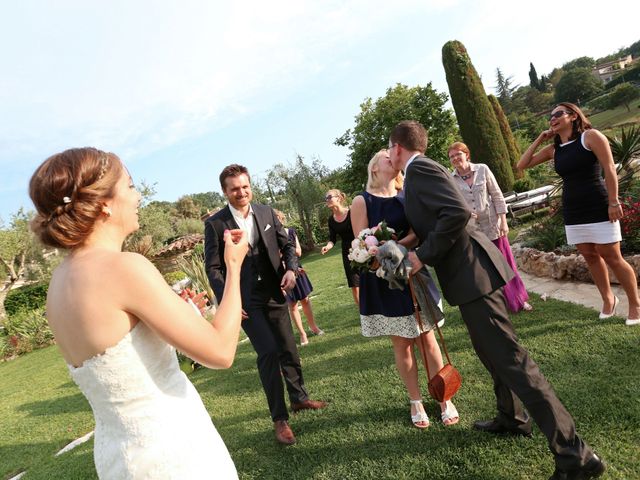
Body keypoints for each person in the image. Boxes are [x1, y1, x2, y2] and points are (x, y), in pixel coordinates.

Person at [390, 121, 605, 480]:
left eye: (388, 148)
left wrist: (420, 256)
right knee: (492, 355)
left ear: (398, 147)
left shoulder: (421, 169)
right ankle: (512, 417)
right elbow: (436, 220)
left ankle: (576, 456)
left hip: (475, 275)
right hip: (470, 276)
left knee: (513, 361)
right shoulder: (420, 172)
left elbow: (457, 213)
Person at [29, 147, 246, 479]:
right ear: (104, 203)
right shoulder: (124, 268)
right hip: (174, 451)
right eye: (129, 186)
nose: (138, 196)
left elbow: (118, 352)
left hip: (119, 457)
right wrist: (233, 267)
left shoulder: (58, 283)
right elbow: (220, 351)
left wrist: (179, 312)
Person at [204, 164, 327, 446]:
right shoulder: (215, 224)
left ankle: (300, 399)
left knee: (288, 347)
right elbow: (213, 268)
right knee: (269, 353)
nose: (241, 192)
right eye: (234, 188)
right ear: (225, 192)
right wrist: (229, 300)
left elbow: (286, 245)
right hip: (246, 300)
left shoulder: (266, 212)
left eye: (245, 186)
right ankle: (279, 419)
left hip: (275, 291)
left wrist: (291, 270)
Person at [351, 149, 459, 428]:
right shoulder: (361, 201)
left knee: (428, 338)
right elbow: (362, 243)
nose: (392, 158)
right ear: (374, 167)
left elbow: (417, 232)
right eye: (386, 157)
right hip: (384, 280)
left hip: (412, 271)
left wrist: (398, 247)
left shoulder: (406, 195)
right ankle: (416, 402)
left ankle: (443, 397)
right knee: (402, 343)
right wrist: (381, 254)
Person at [518, 102, 640, 326]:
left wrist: (614, 201)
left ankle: (635, 304)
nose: (552, 119)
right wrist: (540, 139)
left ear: (573, 116)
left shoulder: (590, 137)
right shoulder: (555, 149)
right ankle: (608, 300)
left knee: (612, 256)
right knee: (590, 256)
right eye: (550, 117)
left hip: (598, 203)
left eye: (558, 114)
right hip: (573, 209)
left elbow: (610, 168)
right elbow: (522, 165)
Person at [449, 141, 533, 313]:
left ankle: (518, 299)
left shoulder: (482, 169)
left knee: (506, 264)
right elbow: (454, 205)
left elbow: (497, 195)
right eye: (451, 157)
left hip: (494, 226)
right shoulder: (450, 179)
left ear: (467, 154)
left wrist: (503, 221)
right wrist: (464, 214)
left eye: (458, 154)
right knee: (486, 268)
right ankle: (499, 303)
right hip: (473, 231)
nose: (455, 158)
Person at [274, 209, 324, 346]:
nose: (276, 220)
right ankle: (302, 334)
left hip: (297, 269)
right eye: (274, 218)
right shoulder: (270, 238)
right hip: (283, 273)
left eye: (278, 217)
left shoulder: (290, 231)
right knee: (293, 305)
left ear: (282, 219)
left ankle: (313, 327)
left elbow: (299, 252)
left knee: (306, 300)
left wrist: (286, 250)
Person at [321, 189, 360, 305]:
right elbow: (332, 239)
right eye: (326, 198)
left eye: (329, 197)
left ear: (339, 198)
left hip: (361, 248)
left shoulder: (352, 212)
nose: (327, 200)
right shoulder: (331, 220)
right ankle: (363, 313)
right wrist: (328, 246)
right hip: (347, 253)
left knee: (368, 280)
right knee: (355, 284)